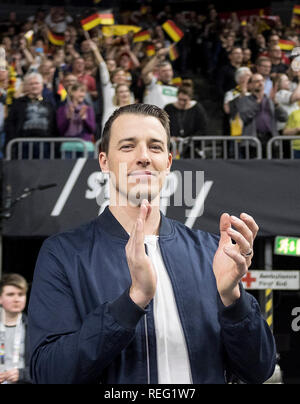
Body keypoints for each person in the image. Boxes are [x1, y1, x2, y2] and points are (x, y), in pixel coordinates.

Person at [28, 103, 276, 384]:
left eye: (155, 147)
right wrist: (133, 300)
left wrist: (232, 297)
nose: (144, 157)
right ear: (104, 161)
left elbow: (260, 369)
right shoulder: (64, 253)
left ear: (168, 162)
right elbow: (47, 373)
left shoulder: (210, 252)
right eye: (127, 146)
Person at [229, 73, 287, 157]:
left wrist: (276, 104)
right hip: (252, 141)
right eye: (257, 81)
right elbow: (245, 117)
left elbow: (284, 118)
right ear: (250, 85)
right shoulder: (244, 100)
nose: (260, 83)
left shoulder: (270, 99)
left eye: (262, 81)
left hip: (271, 139)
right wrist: (257, 103)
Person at [4, 72, 57, 158]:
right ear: (26, 87)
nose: (34, 86)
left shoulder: (49, 104)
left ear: (42, 86)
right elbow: (10, 125)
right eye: (31, 84)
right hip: (22, 144)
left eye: (36, 83)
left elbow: (54, 125)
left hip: (45, 143)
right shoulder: (18, 103)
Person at [0, 273, 32, 384]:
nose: (16, 299)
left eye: (21, 294)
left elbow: (44, 367)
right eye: (10, 294)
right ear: (0, 298)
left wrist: (23, 374)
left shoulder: (34, 328)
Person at [164, 83, 208, 157]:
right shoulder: (169, 108)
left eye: (184, 100)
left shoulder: (197, 109)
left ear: (190, 98)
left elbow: (203, 128)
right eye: (180, 99)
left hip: (191, 148)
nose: (181, 102)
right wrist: (170, 137)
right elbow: (163, 126)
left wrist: (189, 140)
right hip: (172, 147)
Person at [56, 82, 96, 158]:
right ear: (72, 93)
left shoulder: (88, 109)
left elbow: (92, 129)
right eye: (81, 91)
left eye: (84, 92)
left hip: (86, 147)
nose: (83, 94)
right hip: (68, 147)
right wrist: (68, 118)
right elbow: (60, 130)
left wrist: (84, 119)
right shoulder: (62, 109)